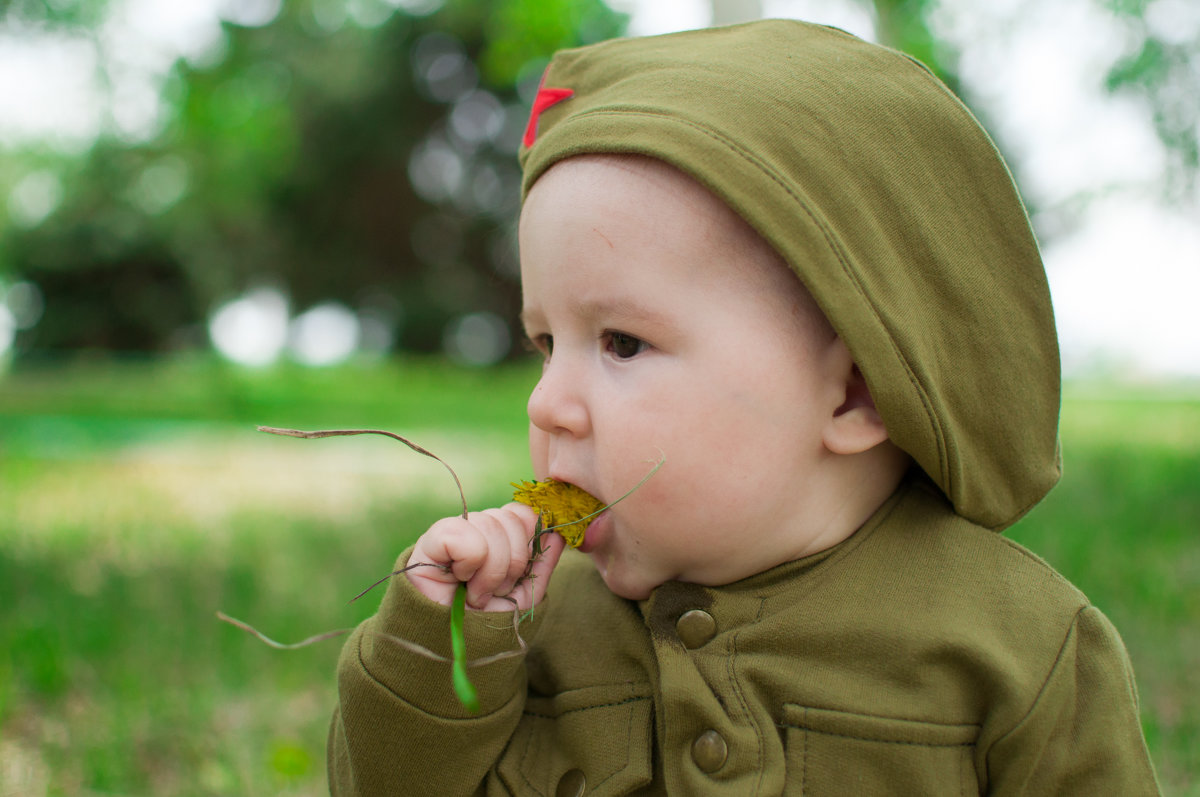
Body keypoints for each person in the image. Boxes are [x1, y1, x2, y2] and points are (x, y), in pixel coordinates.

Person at [327, 19, 1161, 796]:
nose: (548, 404)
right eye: (545, 345)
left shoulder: (1014, 643)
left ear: (854, 392)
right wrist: (435, 649)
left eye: (621, 342)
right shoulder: (532, 628)